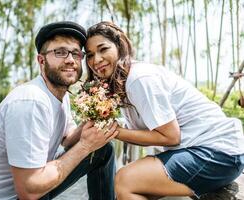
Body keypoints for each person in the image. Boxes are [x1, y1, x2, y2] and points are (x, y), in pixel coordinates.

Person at [0, 21, 118, 200]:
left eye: (76, 53)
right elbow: (29, 191)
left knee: (103, 150)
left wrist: (93, 120)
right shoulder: (31, 101)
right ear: (41, 60)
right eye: (60, 52)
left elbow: (67, 140)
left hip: (26, 190)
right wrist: (86, 146)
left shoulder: (61, 95)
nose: (70, 60)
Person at [85, 21, 244, 200]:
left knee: (124, 180)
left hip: (218, 153)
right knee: (129, 190)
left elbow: (170, 136)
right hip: (202, 151)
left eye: (103, 49)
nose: (96, 60)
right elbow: (146, 132)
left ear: (120, 47)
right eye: (90, 55)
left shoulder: (138, 78)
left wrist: (115, 132)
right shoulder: (124, 85)